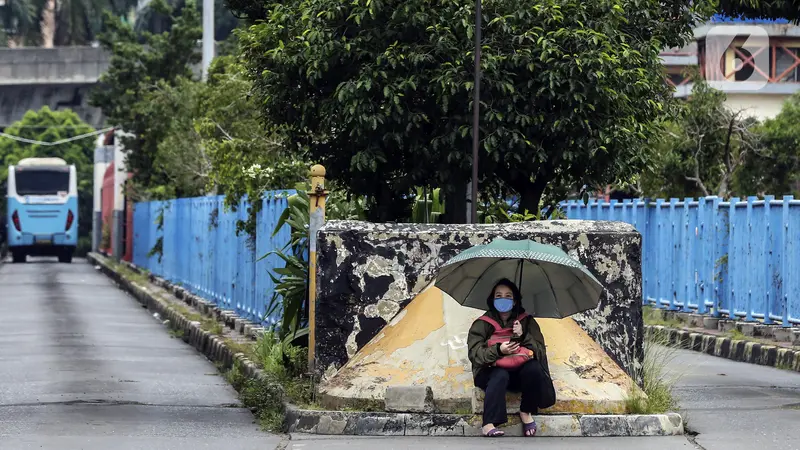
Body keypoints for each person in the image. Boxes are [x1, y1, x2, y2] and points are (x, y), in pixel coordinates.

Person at [467, 278, 556, 437]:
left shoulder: (526, 321)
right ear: (492, 299)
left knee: (534, 368)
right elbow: (475, 355)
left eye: (508, 296)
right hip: (490, 372)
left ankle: (526, 411)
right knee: (500, 374)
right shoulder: (482, 324)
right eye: (498, 295)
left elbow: (540, 352)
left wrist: (524, 335)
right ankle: (489, 423)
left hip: (518, 373)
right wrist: (499, 350)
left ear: (515, 301)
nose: (503, 299)